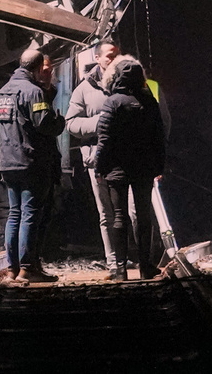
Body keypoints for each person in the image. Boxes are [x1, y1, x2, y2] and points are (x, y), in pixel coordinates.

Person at [92, 55, 166, 280]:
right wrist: (158, 165)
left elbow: (104, 139)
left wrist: (99, 166)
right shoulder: (149, 101)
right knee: (144, 217)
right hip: (144, 168)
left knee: (118, 217)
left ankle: (120, 271)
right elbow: (158, 136)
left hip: (117, 168)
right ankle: (146, 267)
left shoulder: (112, 102)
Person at [0, 49, 66, 283]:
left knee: (14, 214)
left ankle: (12, 268)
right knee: (30, 215)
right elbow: (44, 124)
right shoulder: (33, 92)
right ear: (37, 68)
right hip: (31, 162)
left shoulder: (2, 92)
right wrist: (59, 121)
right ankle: (28, 268)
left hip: (7, 162)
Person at [66, 39, 120, 275]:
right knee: (106, 214)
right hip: (97, 160)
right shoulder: (84, 88)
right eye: (109, 55)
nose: (114, 59)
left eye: (117, 54)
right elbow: (71, 123)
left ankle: (136, 257)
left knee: (132, 212)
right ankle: (114, 262)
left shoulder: (128, 82)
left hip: (126, 159)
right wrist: (99, 122)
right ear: (97, 58)